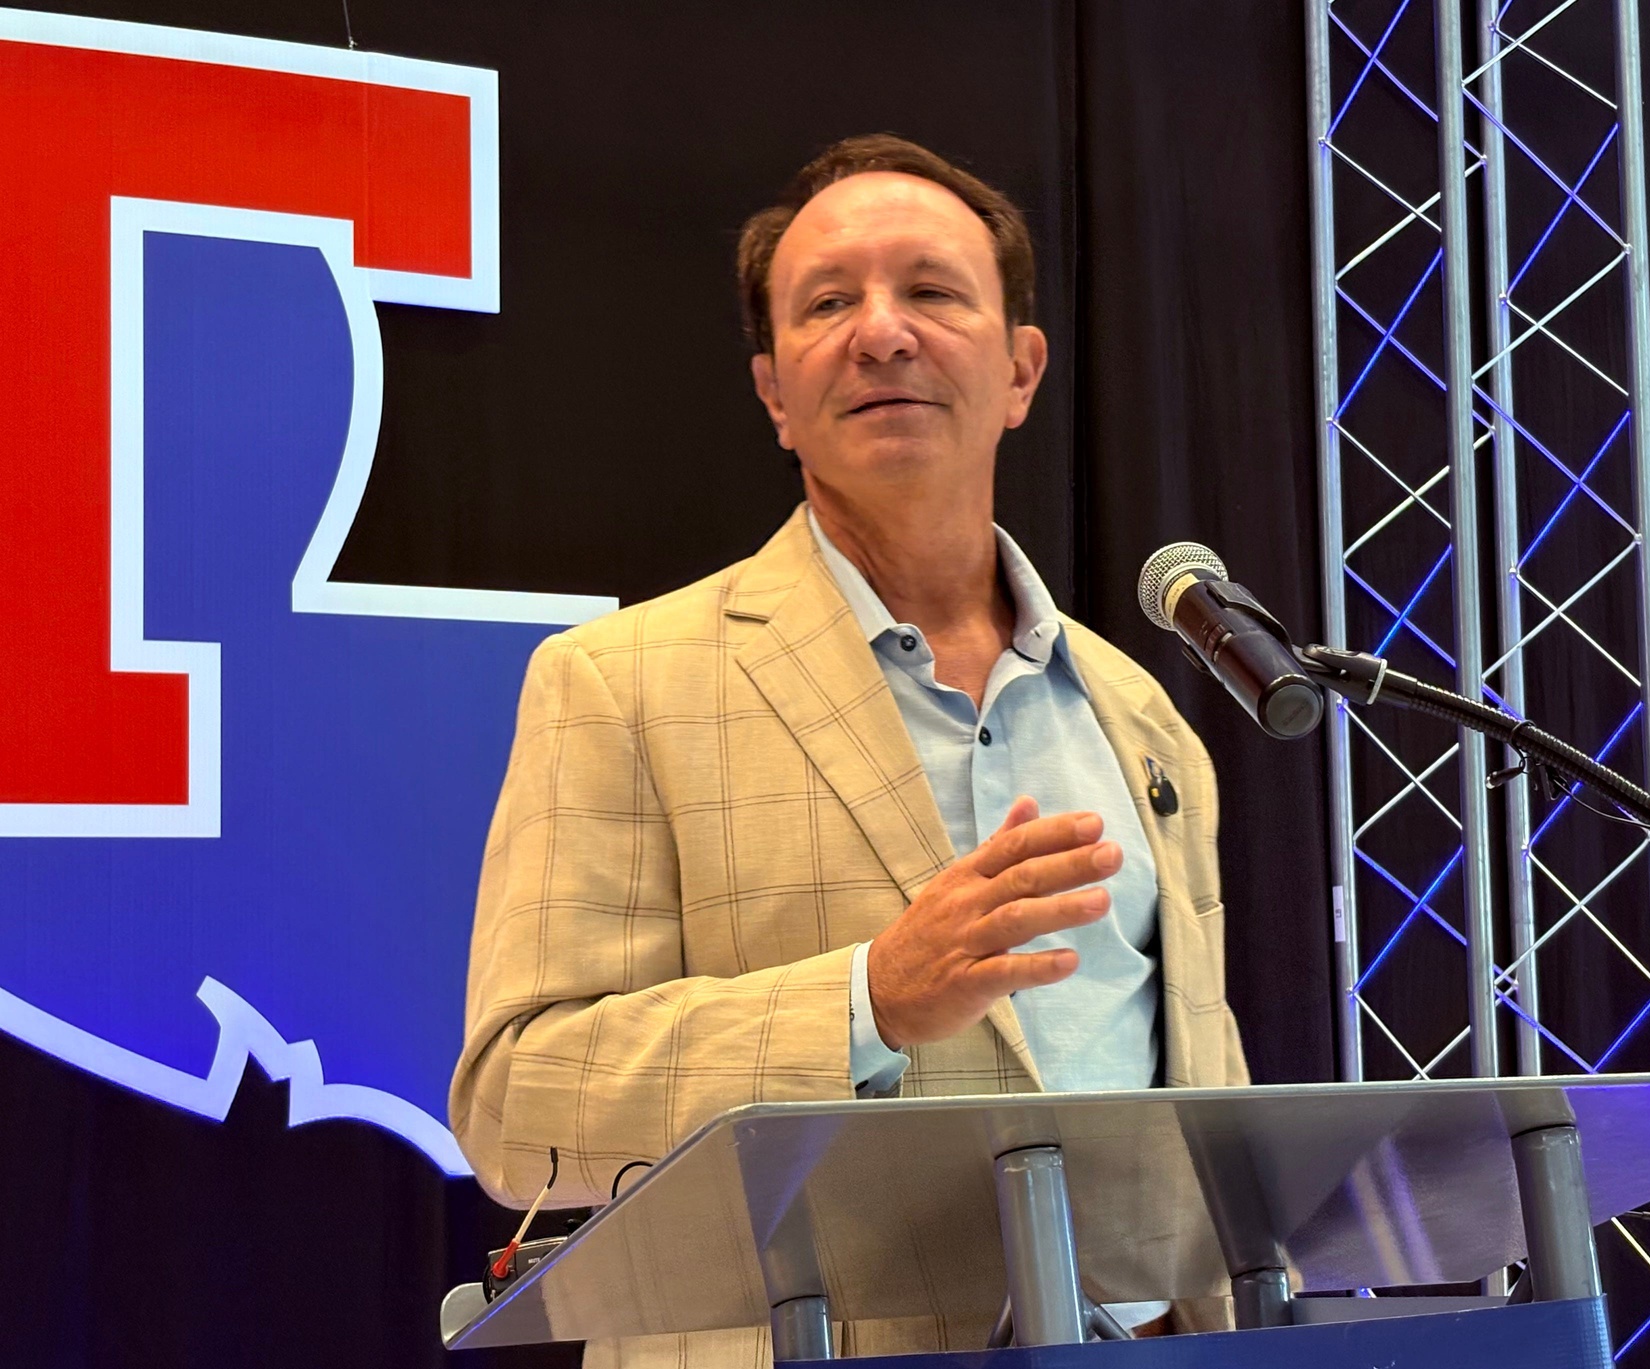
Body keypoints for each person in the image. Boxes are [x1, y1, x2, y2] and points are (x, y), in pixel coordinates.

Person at [450, 134, 1247, 1365]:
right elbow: (518, 1103)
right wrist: (868, 998)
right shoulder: (618, 682)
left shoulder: (1141, 712)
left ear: (1023, 368)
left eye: (931, 291)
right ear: (774, 390)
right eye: (828, 304)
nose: (882, 333)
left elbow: (1204, 1097)